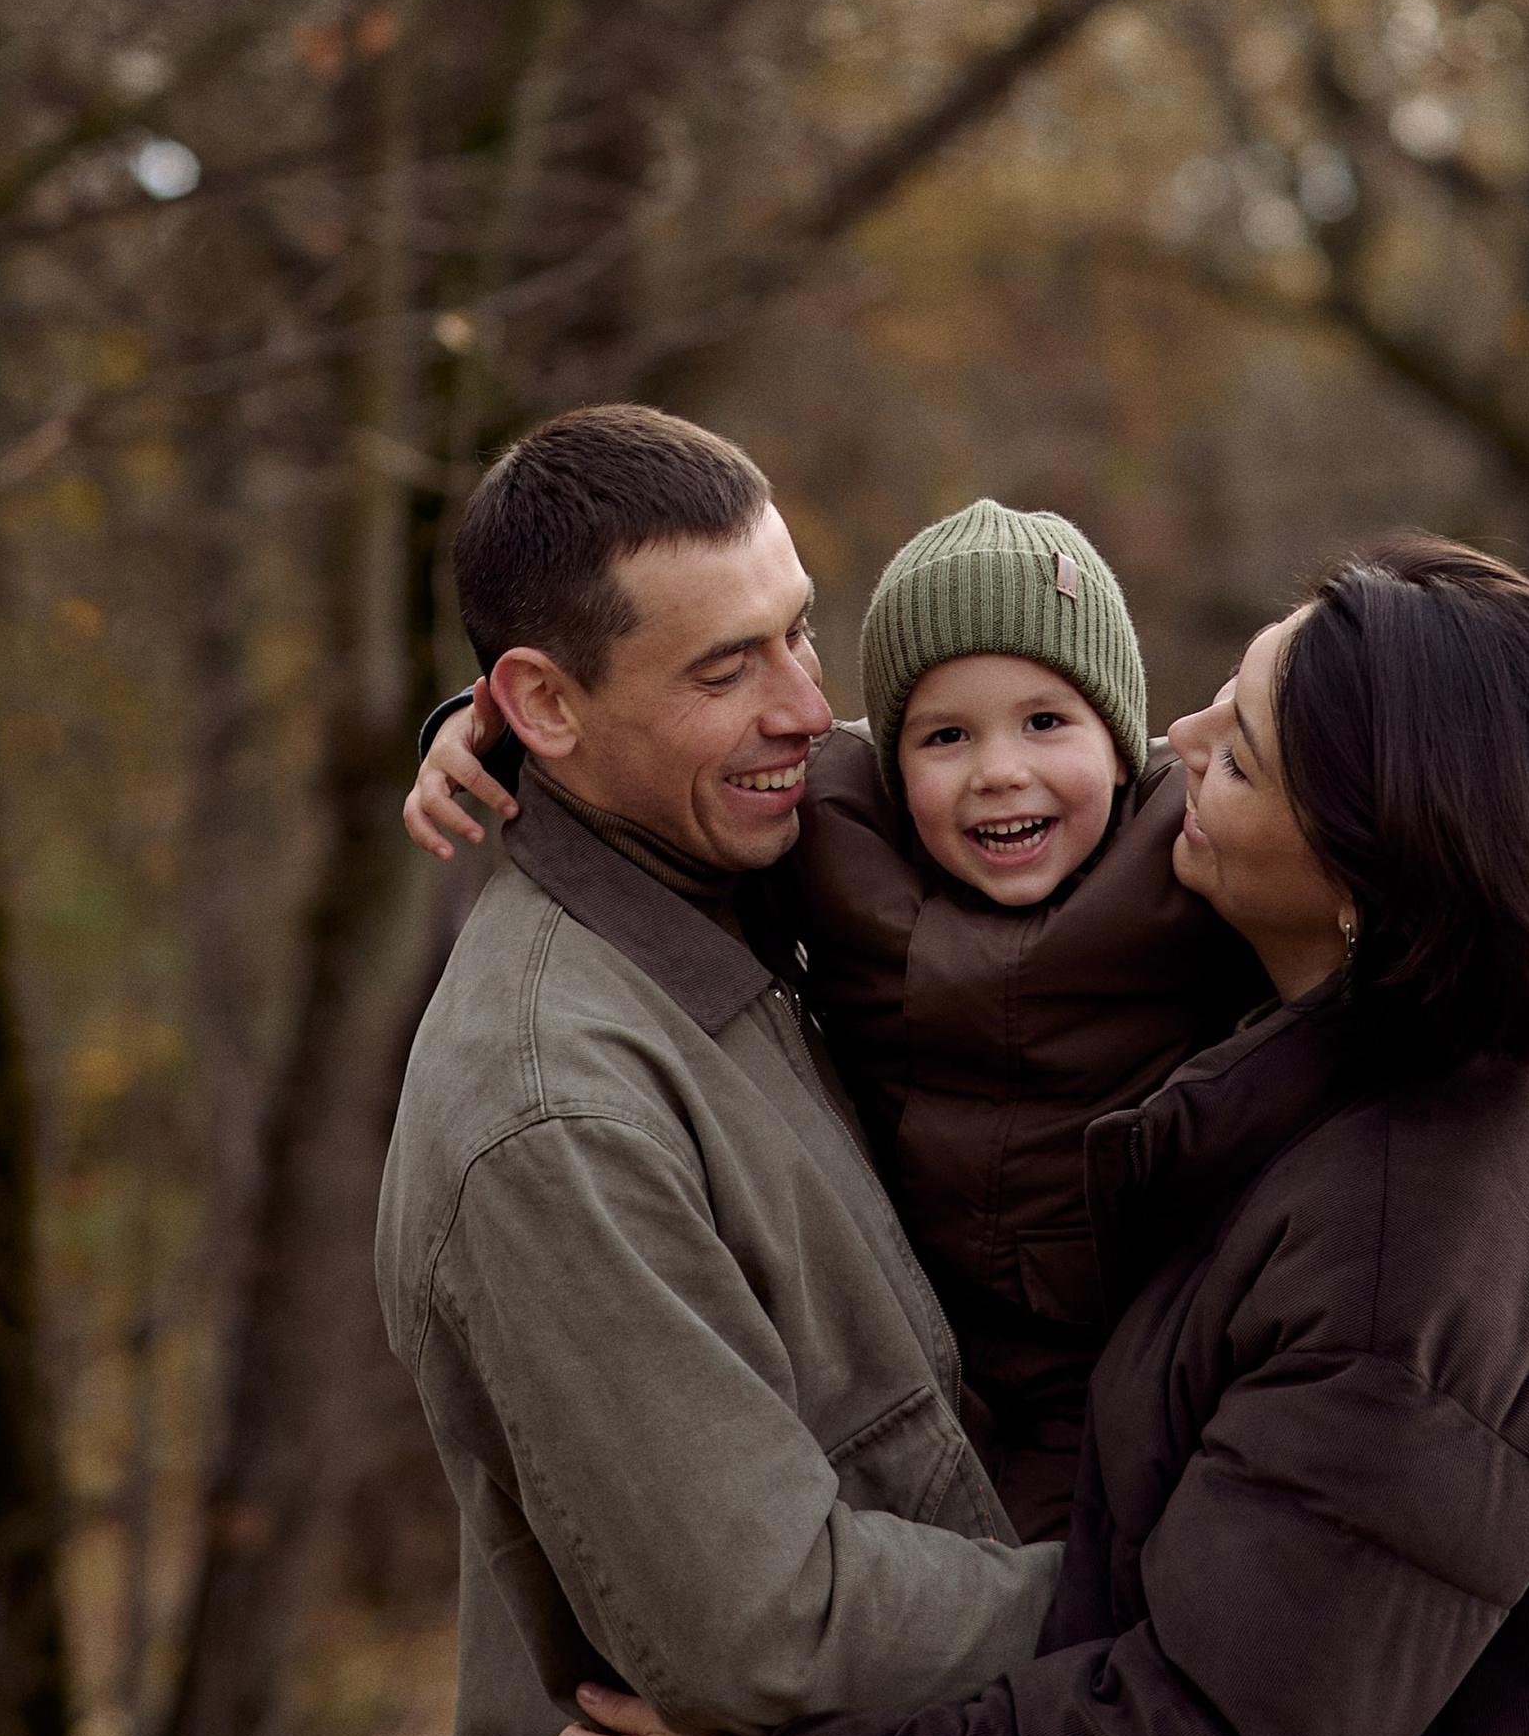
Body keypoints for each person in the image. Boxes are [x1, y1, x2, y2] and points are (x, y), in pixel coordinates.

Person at [552, 537, 1529, 1736]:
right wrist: (537, 749)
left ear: (1363, 872)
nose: (1175, 735)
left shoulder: (1426, 1241)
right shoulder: (1384, 1007)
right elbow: (870, 785)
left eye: (1237, 752)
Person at [372, 408, 1057, 1736]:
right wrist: (1176, 1604)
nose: (809, 706)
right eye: (727, 666)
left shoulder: (764, 840)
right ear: (548, 708)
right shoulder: (550, 1115)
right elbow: (767, 1616)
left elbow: (1093, 782)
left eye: (799, 631)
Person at [412, 496, 1264, 1533]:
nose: (1000, 770)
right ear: (895, 759)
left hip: (1148, 1337)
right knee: (1025, 1593)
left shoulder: (1188, 851)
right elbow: (640, 759)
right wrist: (486, 735)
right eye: (945, 735)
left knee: (1153, 1569)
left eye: (1049, 722)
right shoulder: (838, 838)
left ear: (1124, 741)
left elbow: (1336, 813)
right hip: (949, 1358)